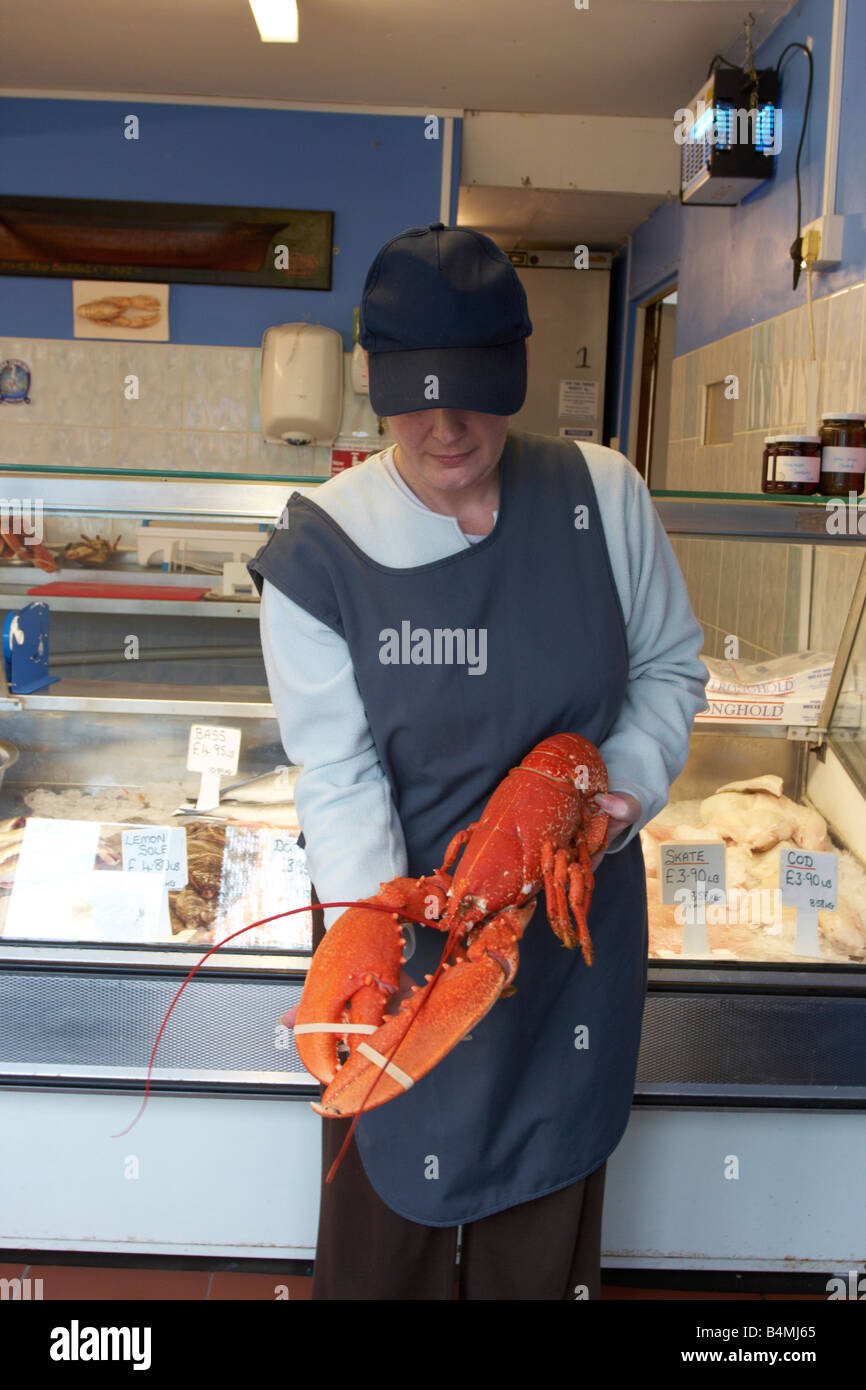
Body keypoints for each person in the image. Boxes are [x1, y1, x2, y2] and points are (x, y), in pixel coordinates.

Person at [249, 221, 707, 1300]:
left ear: (519, 370)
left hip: (568, 932)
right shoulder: (317, 547)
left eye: (475, 393)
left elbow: (671, 672)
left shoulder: (605, 495)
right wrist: (375, 919)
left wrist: (614, 795)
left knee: (540, 1235)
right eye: (413, 395)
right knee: (380, 1238)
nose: (446, 425)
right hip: (405, 936)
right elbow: (338, 772)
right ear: (373, 385)